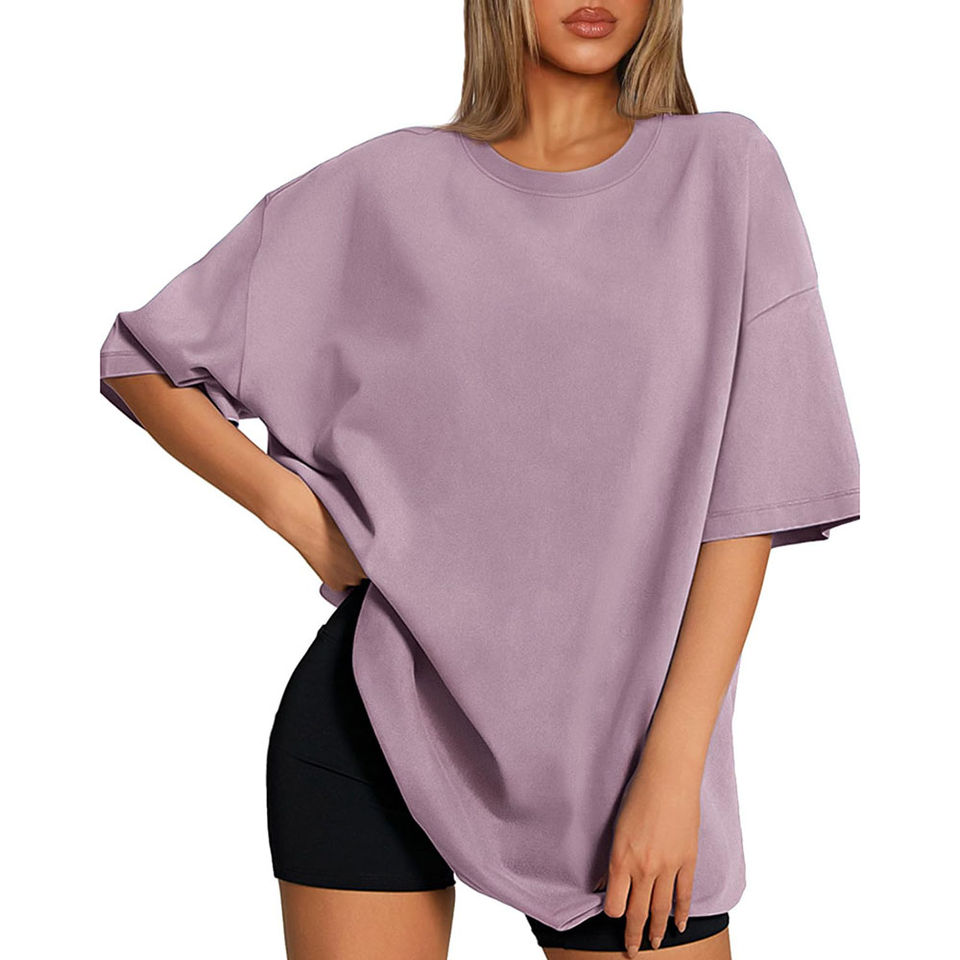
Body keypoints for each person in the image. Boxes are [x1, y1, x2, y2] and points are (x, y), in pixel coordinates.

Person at [98, 1, 860, 957]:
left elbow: (749, 500)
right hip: (374, 717)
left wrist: (674, 770)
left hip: (625, 762)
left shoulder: (725, 171)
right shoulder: (387, 185)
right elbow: (145, 359)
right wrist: (301, 517)